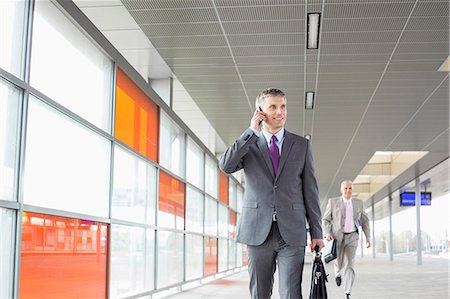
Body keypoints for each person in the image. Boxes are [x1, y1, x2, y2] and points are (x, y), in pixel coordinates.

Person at [219, 88, 324, 299]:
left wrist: (316, 232)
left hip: (292, 231)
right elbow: (226, 165)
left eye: (283, 106)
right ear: (260, 111)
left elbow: (310, 191)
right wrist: (251, 131)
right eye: (273, 107)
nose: (280, 112)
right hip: (257, 231)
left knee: (292, 293)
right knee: (260, 293)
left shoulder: (301, 145)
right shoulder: (249, 144)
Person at [322, 180, 371, 299]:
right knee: (338, 262)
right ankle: (337, 273)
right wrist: (327, 232)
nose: (348, 191)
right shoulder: (333, 202)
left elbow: (365, 221)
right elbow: (325, 220)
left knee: (350, 263)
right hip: (337, 237)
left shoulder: (358, 203)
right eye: (346, 188)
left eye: (350, 188)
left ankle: (347, 292)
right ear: (341, 190)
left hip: (352, 237)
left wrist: (368, 237)